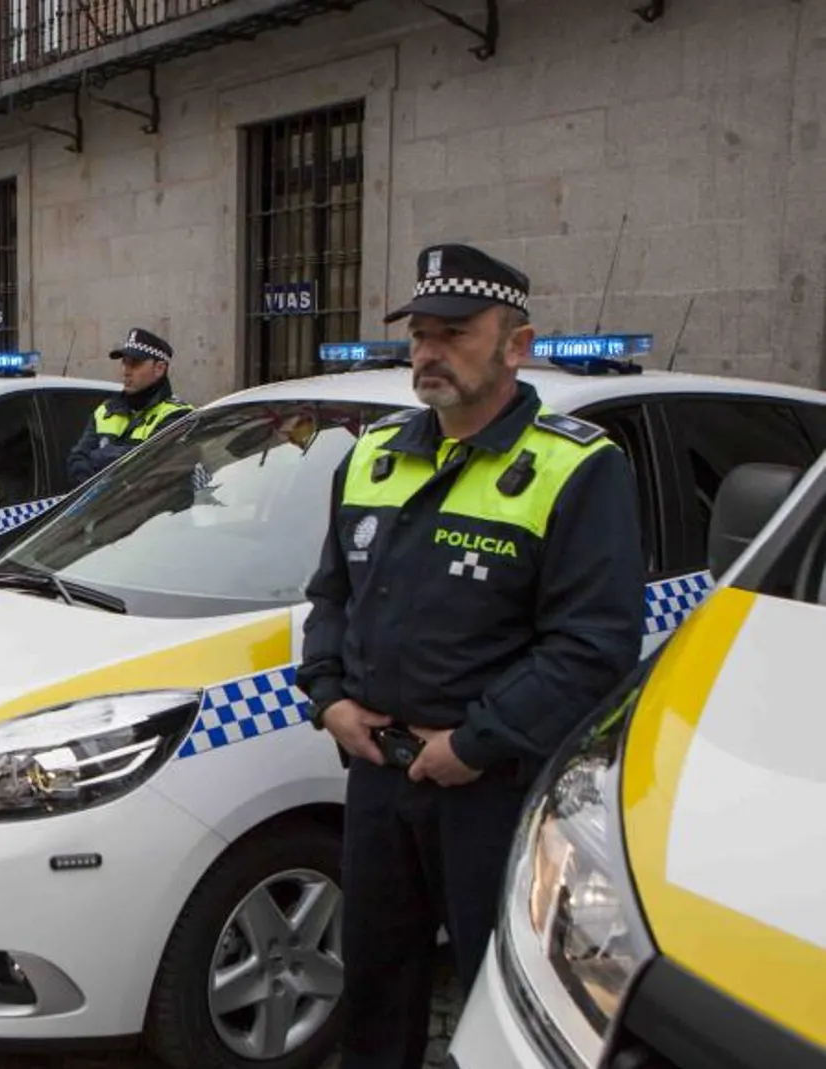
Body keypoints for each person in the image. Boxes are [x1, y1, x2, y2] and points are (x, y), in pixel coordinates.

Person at [295, 244, 645, 1069]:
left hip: (492, 786)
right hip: (378, 773)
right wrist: (327, 697)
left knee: (503, 988)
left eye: (453, 333)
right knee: (377, 978)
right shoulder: (374, 454)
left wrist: (473, 744)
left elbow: (592, 645)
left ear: (515, 346)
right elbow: (331, 597)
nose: (428, 352)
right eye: (420, 334)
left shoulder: (578, 468)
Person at [64, 327, 193, 486]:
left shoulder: (178, 415)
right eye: (124, 362)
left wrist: (99, 457)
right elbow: (76, 461)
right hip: (102, 509)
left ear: (159, 368)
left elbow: (151, 474)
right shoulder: (105, 410)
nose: (126, 371)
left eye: (135, 363)